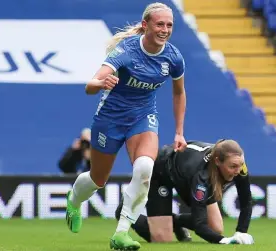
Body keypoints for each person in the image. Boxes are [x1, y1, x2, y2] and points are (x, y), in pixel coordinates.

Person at [65, 2, 187, 250]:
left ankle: (121, 233)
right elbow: (91, 85)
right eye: (160, 24)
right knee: (98, 180)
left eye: (169, 25)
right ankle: (74, 200)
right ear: (146, 25)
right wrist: (102, 83)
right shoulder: (126, 51)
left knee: (144, 169)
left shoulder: (173, 57)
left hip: (143, 118)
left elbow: (179, 93)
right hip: (110, 120)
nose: (165, 29)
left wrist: (179, 132)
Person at [115, 140, 255, 245]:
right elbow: (199, 225)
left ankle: (175, 221)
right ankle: (125, 212)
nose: (238, 171)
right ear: (218, 161)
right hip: (161, 171)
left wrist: (241, 232)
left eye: (240, 165)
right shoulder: (201, 176)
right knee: (162, 238)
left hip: (184, 172)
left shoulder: (238, 166)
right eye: (233, 167)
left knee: (215, 228)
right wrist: (224, 241)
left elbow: (246, 201)